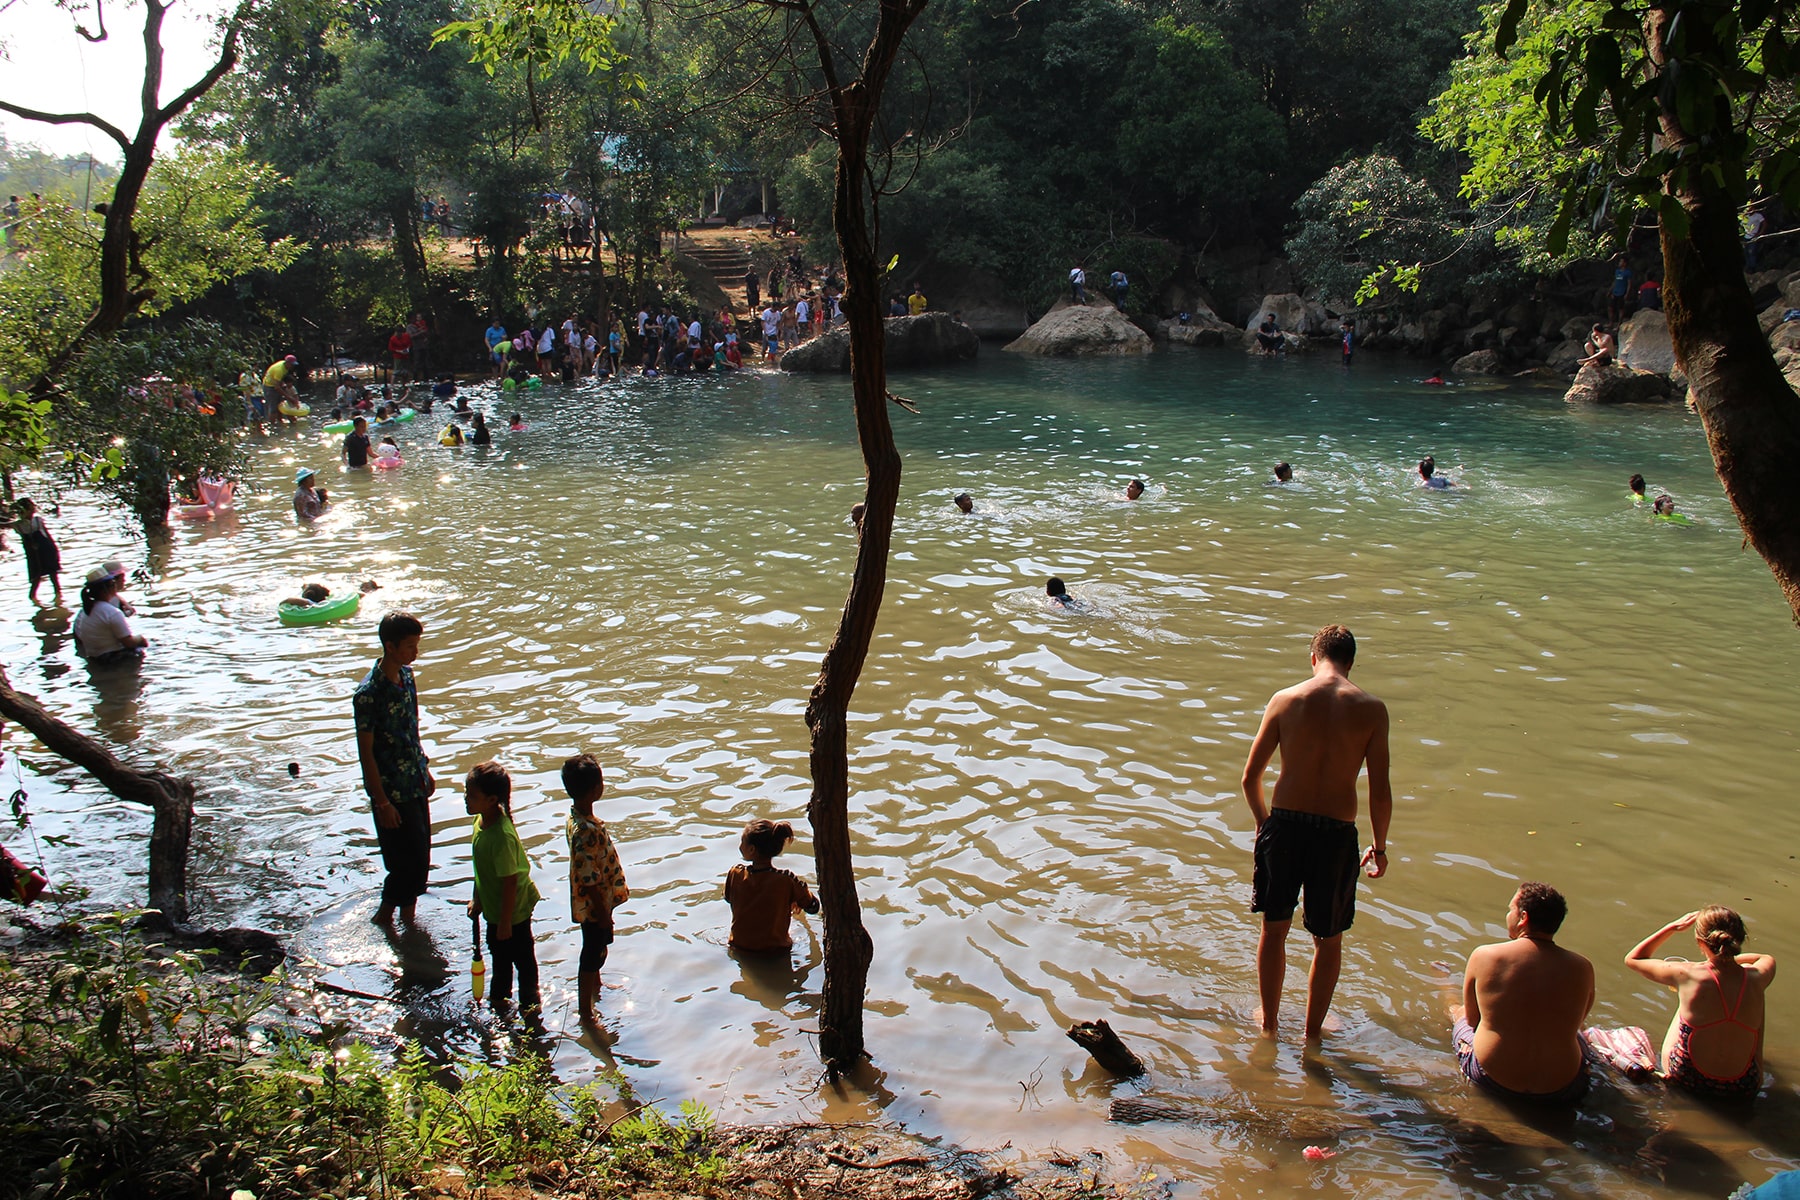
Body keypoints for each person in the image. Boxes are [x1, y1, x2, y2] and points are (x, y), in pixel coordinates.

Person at [1241, 624, 1392, 1040]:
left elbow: (1250, 778)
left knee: (1274, 929)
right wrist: (1379, 848)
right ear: (1351, 662)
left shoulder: (1286, 700)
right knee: (1328, 938)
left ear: (1313, 658)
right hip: (1335, 833)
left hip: (1285, 826)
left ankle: (1269, 1025)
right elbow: (1380, 791)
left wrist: (1263, 825)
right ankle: (1312, 1032)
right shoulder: (1372, 709)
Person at [1452, 882, 1595, 1104]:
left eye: (1510, 909)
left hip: (1493, 1077)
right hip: (1561, 1086)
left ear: (1523, 918)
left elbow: (1473, 1019)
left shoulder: (1485, 955)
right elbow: (1578, 1024)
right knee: (1577, 1034)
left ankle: (1443, 984)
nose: (1508, 915)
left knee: (1458, 1013)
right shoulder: (1582, 966)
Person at [1625, 906, 1776, 1100]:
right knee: (1753, 988)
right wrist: (1730, 959)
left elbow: (1633, 958)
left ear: (1700, 942)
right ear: (1740, 937)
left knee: (1687, 998)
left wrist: (1672, 927)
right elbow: (1763, 958)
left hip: (1688, 1079)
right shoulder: (1759, 976)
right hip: (1744, 1085)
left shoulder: (1686, 973)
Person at [355, 612, 436, 925]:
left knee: (421, 859)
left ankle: (409, 922)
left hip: (412, 779)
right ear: (390, 646)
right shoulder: (369, 694)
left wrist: (424, 768)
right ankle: (384, 919)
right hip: (390, 789)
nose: (414, 653)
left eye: (416, 646)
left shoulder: (406, 677)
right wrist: (382, 802)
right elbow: (367, 755)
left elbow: (411, 730)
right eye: (409, 647)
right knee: (403, 863)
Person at [465, 760, 542, 1014]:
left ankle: (530, 1007)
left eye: (472, 795)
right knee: (499, 958)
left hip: (514, 911)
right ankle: (499, 1002)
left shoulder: (501, 835)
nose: (466, 798)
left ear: (491, 800)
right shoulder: (480, 822)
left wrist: (507, 922)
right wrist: (477, 899)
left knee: (523, 961)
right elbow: (480, 868)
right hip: (496, 910)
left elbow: (509, 881)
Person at [564, 753, 629, 1025]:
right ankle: (585, 1011)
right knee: (593, 951)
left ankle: (596, 987)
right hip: (594, 904)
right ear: (595, 789)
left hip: (593, 900)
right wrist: (603, 912)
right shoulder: (586, 831)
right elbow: (589, 878)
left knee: (595, 945)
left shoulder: (577, 819)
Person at [724, 818, 819, 953]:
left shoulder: (735, 874)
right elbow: (813, 907)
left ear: (751, 849)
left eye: (742, 842)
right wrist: (795, 898)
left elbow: (729, 898)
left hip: (739, 947)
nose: (740, 846)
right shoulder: (787, 881)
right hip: (775, 952)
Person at [72, 569, 147, 668]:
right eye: (113, 583)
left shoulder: (87, 610)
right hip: (112, 660)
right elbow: (129, 643)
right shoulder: (112, 612)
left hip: (94, 659)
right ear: (108, 588)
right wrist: (140, 639)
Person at [13, 498, 63, 605]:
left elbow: (47, 535)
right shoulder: (18, 525)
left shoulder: (38, 520)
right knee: (35, 578)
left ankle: (58, 596)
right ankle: (32, 597)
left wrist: (55, 549)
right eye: (30, 509)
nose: (32, 511)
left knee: (53, 575)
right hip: (33, 554)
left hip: (46, 550)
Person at [263, 354, 301, 419]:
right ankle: (273, 425)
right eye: (292, 364)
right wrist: (289, 398)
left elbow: (280, 381)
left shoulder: (285, 367)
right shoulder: (279, 370)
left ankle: (280, 423)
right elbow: (276, 387)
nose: (293, 366)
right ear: (287, 363)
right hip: (269, 387)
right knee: (273, 408)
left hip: (277, 384)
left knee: (280, 406)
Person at [1609, 255, 1634, 323]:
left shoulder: (1628, 272)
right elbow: (1615, 281)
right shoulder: (1617, 271)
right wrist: (1611, 291)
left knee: (1621, 309)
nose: (1619, 263)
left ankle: (1618, 324)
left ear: (1625, 263)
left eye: (1621, 261)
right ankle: (1610, 323)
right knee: (1611, 308)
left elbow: (1629, 284)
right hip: (1615, 292)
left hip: (1622, 292)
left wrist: (1627, 294)